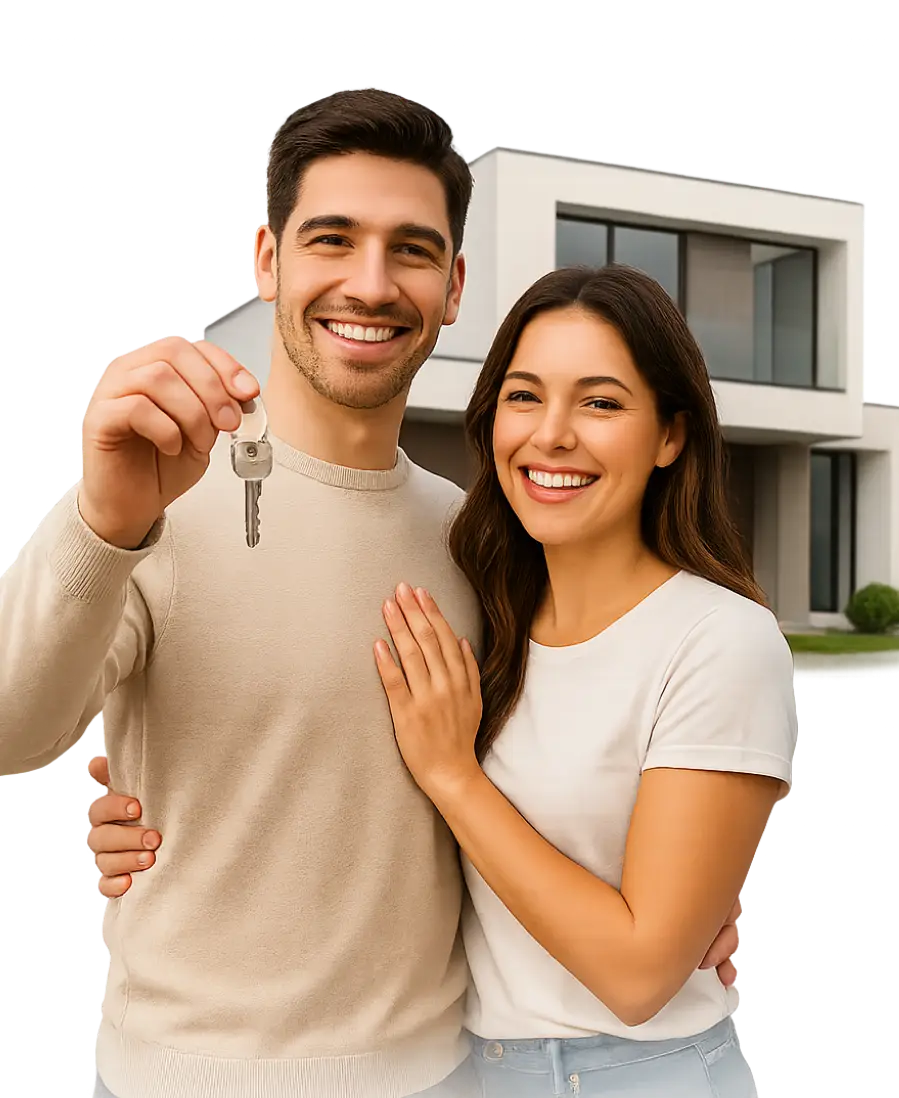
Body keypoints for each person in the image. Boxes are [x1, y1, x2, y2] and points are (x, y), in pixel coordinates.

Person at [0, 86, 743, 1098]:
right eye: (331, 239)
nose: (369, 281)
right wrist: (105, 525)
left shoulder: (484, 536)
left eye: (410, 248)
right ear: (266, 258)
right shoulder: (145, 497)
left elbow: (597, 749)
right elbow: (12, 732)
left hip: (445, 1074)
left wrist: (697, 889)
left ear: (451, 285)